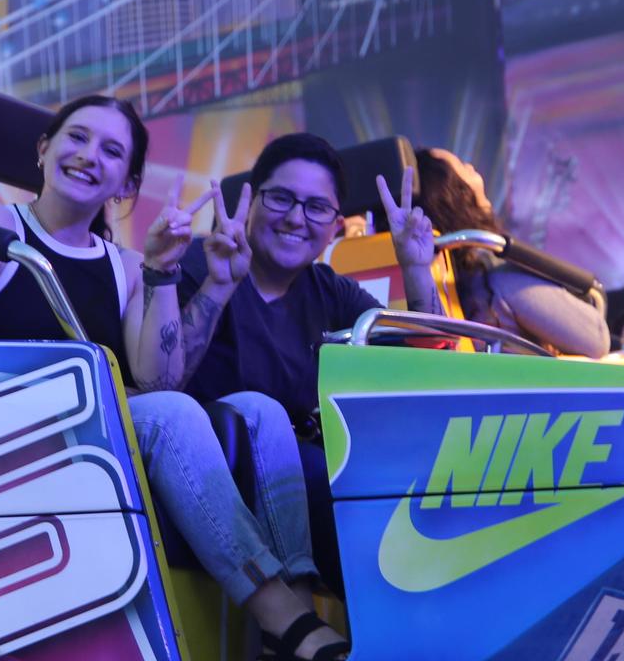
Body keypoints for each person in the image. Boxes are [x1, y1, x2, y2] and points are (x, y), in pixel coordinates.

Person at [0, 98, 346, 661]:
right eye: (77, 138)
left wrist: (168, 273)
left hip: (84, 437)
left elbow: (158, 379)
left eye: (110, 150)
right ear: (44, 149)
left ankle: (295, 610)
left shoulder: (123, 265)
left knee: (260, 410)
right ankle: (275, 608)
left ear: (126, 183)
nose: (88, 156)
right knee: (170, 417)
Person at [174, 134, 440, 591]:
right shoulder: (202, 262)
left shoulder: (328, 290)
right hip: (213, 473)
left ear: (335, 225)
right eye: (281, 198)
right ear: (251, 201)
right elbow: (163, 382)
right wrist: (217, 288)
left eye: (317, 207)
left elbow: (425, 368)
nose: (296, 218)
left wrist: (416, 269)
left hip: (304, 471)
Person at [411, 148, 611, 358]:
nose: (471, 167)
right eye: (462, 166)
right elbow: (596, 338)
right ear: (454, 196)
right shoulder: (502, 284)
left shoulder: (430, 288)